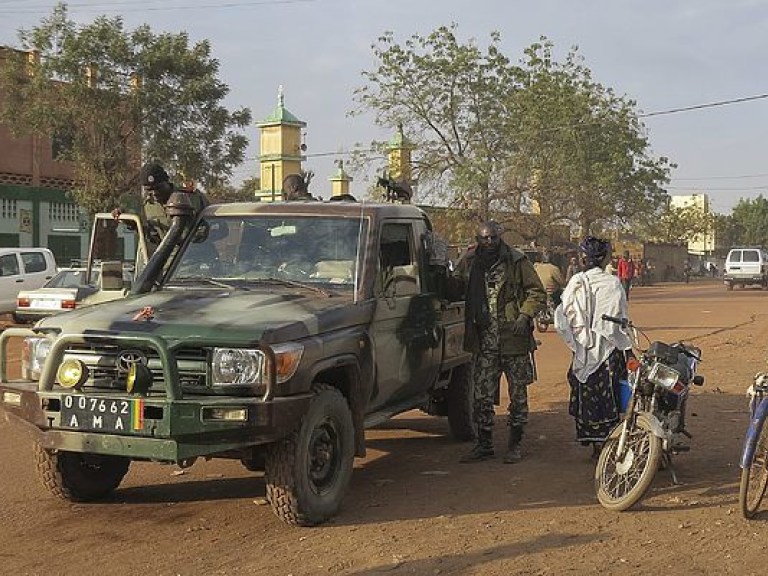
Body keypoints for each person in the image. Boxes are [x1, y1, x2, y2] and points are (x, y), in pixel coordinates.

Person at [457, 221, 546, 464]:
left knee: (518, 396)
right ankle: (484, 445)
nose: (488, 243)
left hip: (513, 341)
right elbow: (454, 285)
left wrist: (525, 315)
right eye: (484, 239)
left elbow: (537, 292)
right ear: (478, 238)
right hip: (484, 342)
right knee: (481, 397)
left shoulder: (516, 261)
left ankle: (515, 444)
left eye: (493, 239)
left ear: (500, 238)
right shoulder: (471, 262)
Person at [554, 236, 632, 458]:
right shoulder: (613, 284)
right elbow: (620, 320)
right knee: (612, 394)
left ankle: (596, 444)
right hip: (609, 349)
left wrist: (579, 341)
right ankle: (607, 442)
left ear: (582, 258)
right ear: (606, 258)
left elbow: (563, 318)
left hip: (583, 350)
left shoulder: (576, 283)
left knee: (586, 392)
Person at [114, 162, 209, 250]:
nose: (154, 193)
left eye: (158, 188)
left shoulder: (192, 198)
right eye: (149, 190)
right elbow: (155, 238)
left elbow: (215, 226)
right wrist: (132, 224)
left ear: (167, 182)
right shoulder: (149, 206)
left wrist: (197, 237)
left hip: (198, 258)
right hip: (171, 263)